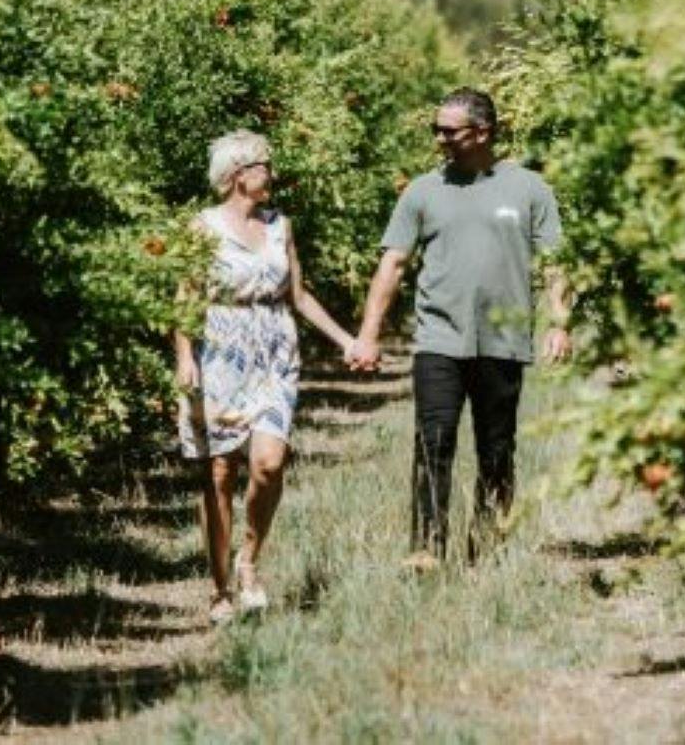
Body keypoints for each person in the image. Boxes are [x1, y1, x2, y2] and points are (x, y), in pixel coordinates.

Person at [354, 88, 571, 566]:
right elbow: (392, 264)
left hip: (504, 340)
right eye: (436, 129)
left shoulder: (529, 188)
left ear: (483, 132)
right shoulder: (422, 190)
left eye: (448, 131)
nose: (439, 139)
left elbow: (555, 261)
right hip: (439, 337)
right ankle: (427, 546)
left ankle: (487, 546)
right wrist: (369, 333)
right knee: (434, 441)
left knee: (497, 449)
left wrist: (559, 322)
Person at [174, 129, 363, 624]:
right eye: (264, 166)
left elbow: (298, 297)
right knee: (218, 473)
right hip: (219, 349)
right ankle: (219, 590)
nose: (271, 174)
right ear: (238, 175)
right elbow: (185, 296)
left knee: (268, 464)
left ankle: (249, 562)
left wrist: (347, 341)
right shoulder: (202, 227)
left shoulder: (281, 226)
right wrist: (184, 356)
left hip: (275, 350)